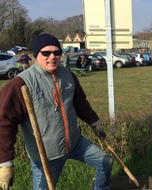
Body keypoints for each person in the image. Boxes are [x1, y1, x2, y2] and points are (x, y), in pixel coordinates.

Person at [0, 33, 112, 190]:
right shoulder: (21, 83)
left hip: (75, 143)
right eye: (46, 53)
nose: (52, 57)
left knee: (105, 161)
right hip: (46, 155)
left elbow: (80, 103)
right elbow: (4, 122)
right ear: (36, 55)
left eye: (56, 52)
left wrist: (95, 124)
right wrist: (5, 163)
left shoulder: (68, 76)